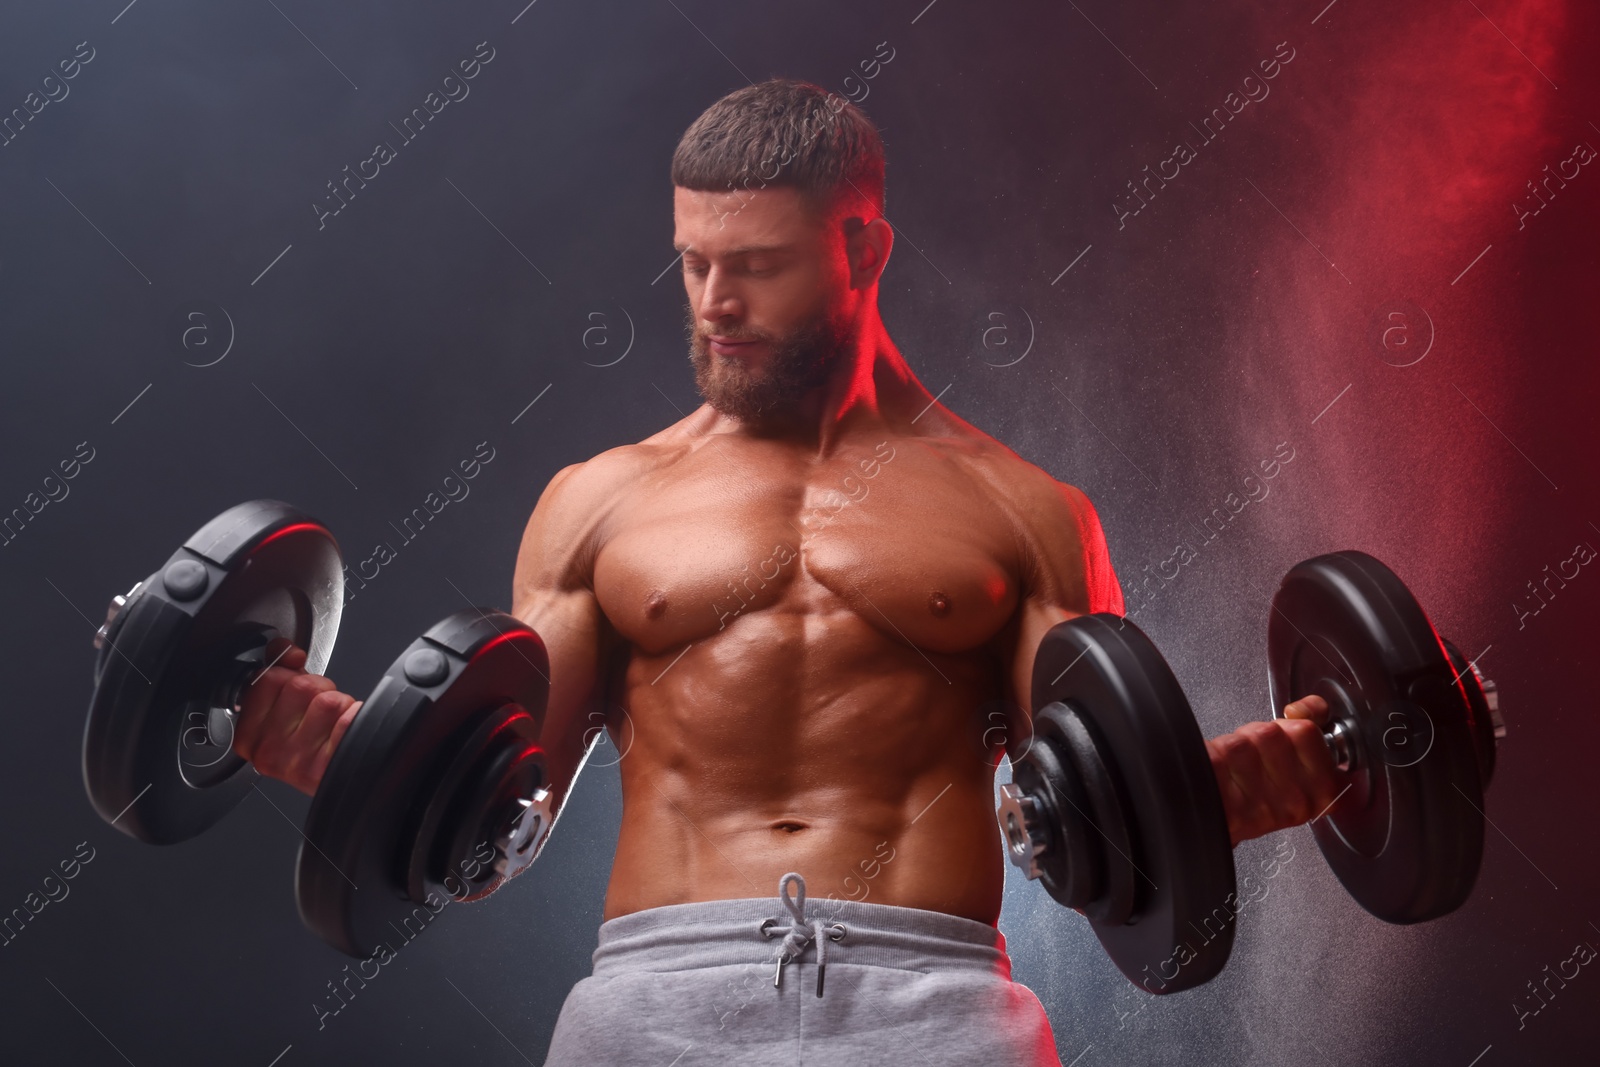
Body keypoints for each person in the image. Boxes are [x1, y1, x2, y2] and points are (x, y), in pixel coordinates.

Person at [232, 78, 1341, 1066]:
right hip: (653, 1001)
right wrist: (334, 745)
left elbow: (1096, 823)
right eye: (694, 261)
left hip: (935, 1004)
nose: (714, 301)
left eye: (756, 266)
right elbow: (493, 819)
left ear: (863, 251)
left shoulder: (1026, 509)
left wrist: (1260, 781)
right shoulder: (599, 500)